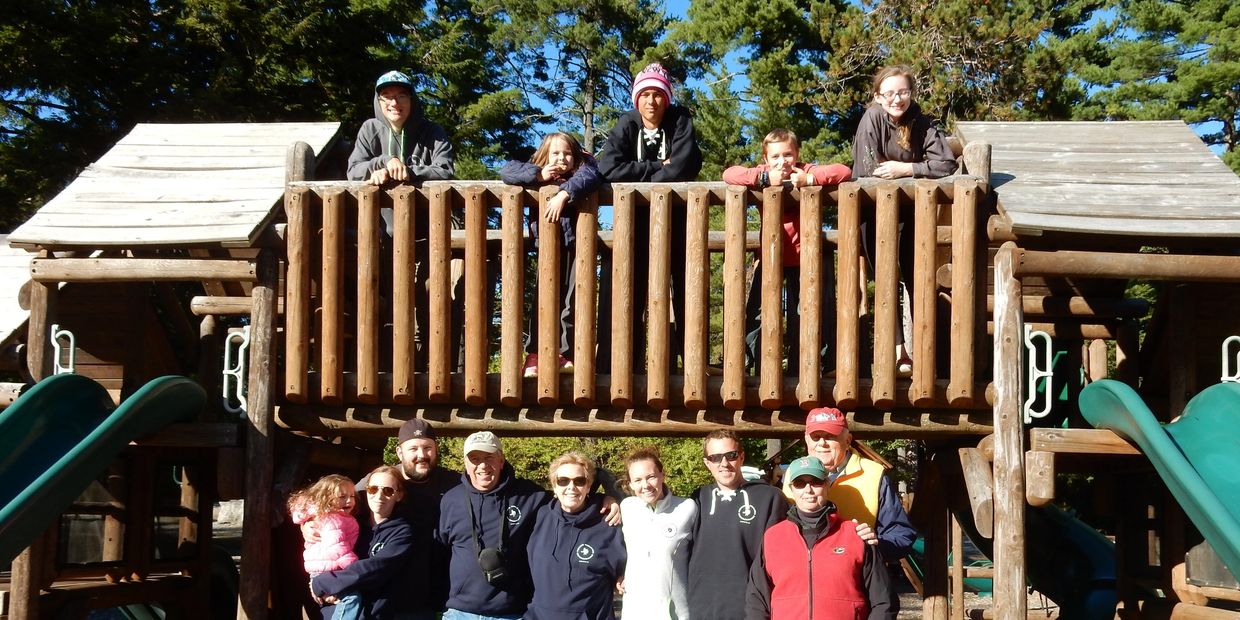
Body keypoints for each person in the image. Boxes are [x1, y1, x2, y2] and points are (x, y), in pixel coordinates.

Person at [346, 70, 465, 371]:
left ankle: (433, 370)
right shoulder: (370, 130)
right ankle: (379, 371)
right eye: (387, 97)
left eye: (401, 96)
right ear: (379, 101)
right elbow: (353, 170)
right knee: (381, 301)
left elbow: (445, 170)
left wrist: (409, 172)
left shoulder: (432, 131)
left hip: (428, 235)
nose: (394, 103)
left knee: (431, 298)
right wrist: (383, 164)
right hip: (382, 237)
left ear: (412, 100)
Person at [850, 64, 957, 376]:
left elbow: (946, 164)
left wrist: (907, 169)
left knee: (917, 280)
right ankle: (897, 353)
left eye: (903, 92)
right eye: (890, 94)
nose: (897, 99)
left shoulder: (922, 122)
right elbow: (869, 170)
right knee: (885, 282)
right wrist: (911, 170)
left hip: (912, 216)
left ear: (911, 93)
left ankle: (927, 354)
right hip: (875, 215)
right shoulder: (872, 118)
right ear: (878, 96)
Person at [596, 62, 703, 371]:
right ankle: (624, 365)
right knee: (630, 289)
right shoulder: (627, 124)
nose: (651, 101)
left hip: (679, 222)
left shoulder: (680, 120)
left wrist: (641, 175)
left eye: (658, 94)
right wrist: (657, 167)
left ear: (666, 98)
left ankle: (691, 365)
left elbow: (683, 165)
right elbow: (608, 168)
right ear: (636, 99)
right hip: (636, 223)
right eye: (645, 95)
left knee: (686, 290)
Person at [722, 129, 852, 375]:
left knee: (809, 312)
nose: (782, 162)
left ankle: (814, 366)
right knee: (759, 312)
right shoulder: (763, 173)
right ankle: (749, 363)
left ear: (797, 154)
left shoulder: (805, 171)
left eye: (788, 155)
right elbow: (729, 174)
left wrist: (809, 180)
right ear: (765, 158)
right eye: (775, 156)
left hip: (806, 259)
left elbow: (843, 171)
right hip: (770, 258)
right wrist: (764, 178)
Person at [499, 132, 603, 377]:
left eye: (567, 153)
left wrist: (564, 194)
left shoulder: (583, 172)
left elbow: (593, 173)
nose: (561, 159)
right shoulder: (537, 171)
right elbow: (507, 171)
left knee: (571, 301)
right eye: (555, 153)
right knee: (543, 300)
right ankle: (535, 354)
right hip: (547, 247)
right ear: (545, 155)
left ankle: (566, 355)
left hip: (577, 247)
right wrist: (539, 175)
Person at [745, 457, 895, 620]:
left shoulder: (856, 535)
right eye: (800, 483)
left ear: (827, 484)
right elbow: (757, 603)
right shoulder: (773, 538)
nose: (808, 490)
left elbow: (884, 601)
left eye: (816, 482)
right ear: (791, 489)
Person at [785, 407, 917, 562]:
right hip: (804, 573)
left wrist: (874, 545)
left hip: (857, 573)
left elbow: (902, 534)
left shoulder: (874, 474)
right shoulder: (791, 474)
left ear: (847, 440)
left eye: (830, 436)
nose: (822, 443)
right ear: (807, 441)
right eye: (816, 437)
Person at [357, 419, 460, 619]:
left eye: (427, 448)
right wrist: (311, 525)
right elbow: (338, 503)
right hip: (387, 589)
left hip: (439, 587)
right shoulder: (382, 481)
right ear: (399, 452)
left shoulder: (454, 483)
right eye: (413, 448)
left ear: (436, 449)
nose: (421, 455)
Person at [687, 431, 787, 620]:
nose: (724, 463)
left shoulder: (770, 498)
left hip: (750, 610)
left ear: (741, 457)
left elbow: (782, 560)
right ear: (707, 463)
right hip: (701, 610)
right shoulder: (697, 499)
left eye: (731, 455)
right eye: (715, 457)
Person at [525, 450, 626, 620]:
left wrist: (623, 577)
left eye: (579, 481)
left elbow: (631, 565)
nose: (571, 487)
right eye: (563, 481)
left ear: (588, 486)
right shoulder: (538, 517)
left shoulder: (609, 522)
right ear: (554, 486)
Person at [312, 465, 415, 620]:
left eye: (388, 491)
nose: (379, 496)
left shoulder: (402, 533)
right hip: (333, 611)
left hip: (372, 614)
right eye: (373, 489)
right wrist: (308, 525)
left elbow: (373, 569)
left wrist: (322, 582)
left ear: (399, 495)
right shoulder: (349, 524)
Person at [619, 447, 696, 619]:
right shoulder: (627, 507)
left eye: (651, 477)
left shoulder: (687, 508)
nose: (645, 485)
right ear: (630, 484)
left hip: (675, 612)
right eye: (637, 480)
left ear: (662, 475)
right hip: (634, 611)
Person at [289, 475, 362, 620]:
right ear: (327, 498)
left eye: (352, 496)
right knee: (351, 599)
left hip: (324, 570)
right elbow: (337, 548)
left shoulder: (336, 516)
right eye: (342, 497)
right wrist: (355, 568)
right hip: (328, 572)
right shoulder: (333, 519)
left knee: (341, 599)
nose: (349, 500)